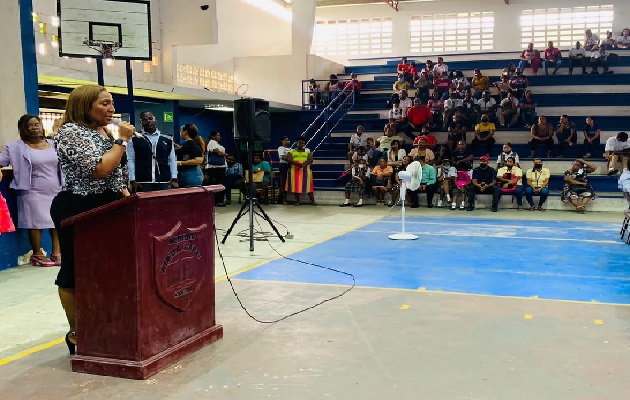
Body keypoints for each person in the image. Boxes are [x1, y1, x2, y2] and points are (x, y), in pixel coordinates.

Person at [50, 85, 135, 355]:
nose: (111, 109)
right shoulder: (69, 132)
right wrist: (122, 141)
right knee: (75, 271)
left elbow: (116, 174)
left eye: (112, 103)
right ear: (85, 106)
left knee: (109, 269)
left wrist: (128, 200)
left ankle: (106, 323)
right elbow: (99, 169)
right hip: (78, 207)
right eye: (104, 104)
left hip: (108, 206)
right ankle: (78, 333)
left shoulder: (103, 131)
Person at [0, 115, 63, 267]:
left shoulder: (54, 144)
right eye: (30, 125)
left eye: (37, 124)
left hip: (56, 187)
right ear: (23, 129)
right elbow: (1, 161)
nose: (35, 127)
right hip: (31, 190)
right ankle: (37, 254)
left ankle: (56, 253)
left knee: (56, 221)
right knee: (36, 222)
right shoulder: (15, 147)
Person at [127, 111, 177, 192]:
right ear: (141, 122)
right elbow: (130, 160)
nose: (148, 121)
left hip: (163, 181)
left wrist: (174, 178)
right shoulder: (134, 139)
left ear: (155, 120)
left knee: (163, 203)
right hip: (142, 181)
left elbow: (172, 159)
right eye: (145, 119)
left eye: (150, 118)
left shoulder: (167, 139)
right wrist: (132, 179)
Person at [285, 137, 316, 206]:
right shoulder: (292, 151)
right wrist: (298, 164)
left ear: (304, 144)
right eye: (299, 142)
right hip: (294, 170)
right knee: (296, 186)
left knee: (308, 186)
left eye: (303, 143)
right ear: (297, 143)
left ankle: (313, 201)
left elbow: (311, 160)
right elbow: (289, 160)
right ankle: (298, 201)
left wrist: (304, 165)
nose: (301, 144)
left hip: (305, 170)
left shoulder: (307, 150)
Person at [205, 131, 230, 206]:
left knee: (221, 183)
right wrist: (227, 155)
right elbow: (218, 152)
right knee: (217, 184)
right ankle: (217, 201)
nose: (219, 137)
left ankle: (219, 200)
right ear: (213, 136)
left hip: (220, 167)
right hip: (215, 168)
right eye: (218, 135)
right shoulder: (212, 143)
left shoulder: (216, 143)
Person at [277, 136, 291, 204]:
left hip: (289, 166)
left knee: (288, 183)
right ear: (282, 141)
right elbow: (283, 157)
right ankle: (282, 199)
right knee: (283, 182)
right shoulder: (281, 148)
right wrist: (289, 158)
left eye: (288, 140)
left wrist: (288, 158)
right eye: (285, 140)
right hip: (283, 166)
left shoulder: (290, 149)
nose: (287, 141)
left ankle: (286, 198)